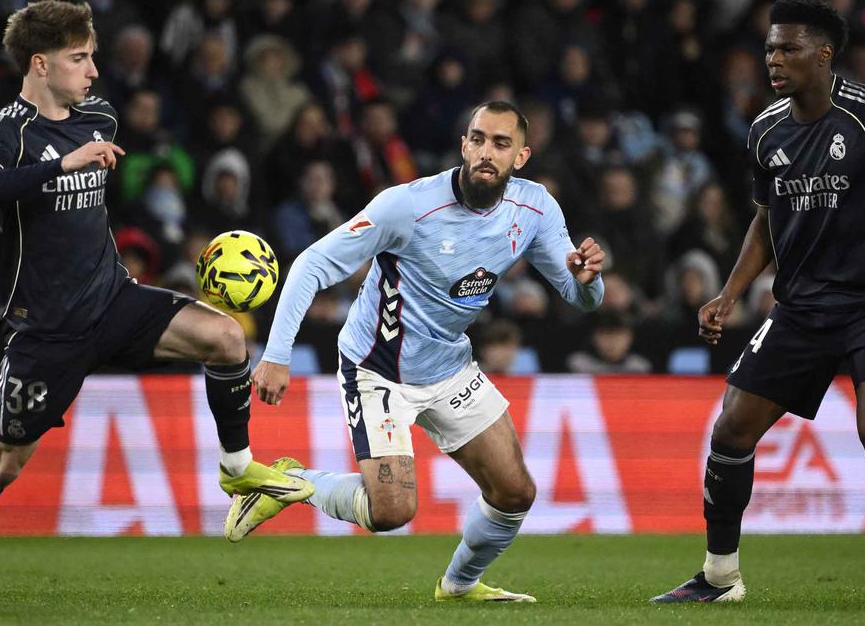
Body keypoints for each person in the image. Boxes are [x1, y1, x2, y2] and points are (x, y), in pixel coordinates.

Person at [0, 1, 312, 606]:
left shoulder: (101, 117)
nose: (92, 70)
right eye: (79, 58)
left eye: (92, 57)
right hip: (48, 330)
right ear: (40, 63)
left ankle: (238, 470)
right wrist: (63, 164)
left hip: (114, 299)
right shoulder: (3, 129)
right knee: (1, 465)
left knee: (226, 339)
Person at [651, 0, 865, 606]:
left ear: (824, 54)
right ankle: (719, 577)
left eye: (788, 48)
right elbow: (766, 221)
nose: (774, 58)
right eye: (770, 47)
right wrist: (729, 292)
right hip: (798, 310)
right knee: (732, 429)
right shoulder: (765, 130)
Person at [242, 101, 605, 602]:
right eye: (477, 139)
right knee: (391, 511)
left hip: (449, 366)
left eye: (500, 144)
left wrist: (590, 282)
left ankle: (458, 585)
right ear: (463, 144)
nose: (485, 152)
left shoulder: (536, 207)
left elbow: (579, 294)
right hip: (378, 370)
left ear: (520, 157)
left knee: (515, 492)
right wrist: (276, 354)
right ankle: (293, 479)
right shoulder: (407, 206)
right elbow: (311, 265)